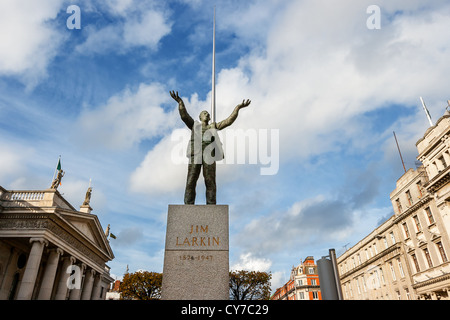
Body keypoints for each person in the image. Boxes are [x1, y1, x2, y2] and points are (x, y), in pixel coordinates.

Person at [170, 91, 251, 204]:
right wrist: (180, 102)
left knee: (210, 181)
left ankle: (211, 205)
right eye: (204, 113)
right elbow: (184, 115)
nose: (207, 114)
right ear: (200, 116)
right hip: (196, 154)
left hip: (209, 155)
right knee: (191, 180)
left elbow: (228, 121)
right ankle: (188, 204)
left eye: (208, 113)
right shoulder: (194, 125)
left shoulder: (213, 126)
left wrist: (238, 108)